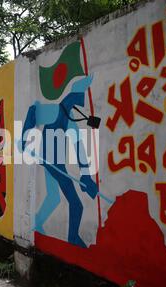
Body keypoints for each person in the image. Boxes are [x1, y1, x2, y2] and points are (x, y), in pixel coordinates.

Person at [21, 75, 98, 248]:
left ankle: (38, 222)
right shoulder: (54, 111)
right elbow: (33, 110)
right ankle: (72, 238)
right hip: (51, 162)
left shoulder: (70, 120)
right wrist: (26, 142)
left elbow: (79, 148)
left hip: (56, 163)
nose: (80, 108)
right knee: (77, 204)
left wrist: (86, 176)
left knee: (54, 197)